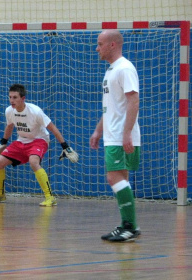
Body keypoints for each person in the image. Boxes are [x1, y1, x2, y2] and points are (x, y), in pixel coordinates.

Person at [0, 83, 79, 206]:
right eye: (10, 97)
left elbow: (53, 128)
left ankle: (50, 197)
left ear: (23, 99)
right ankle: (0, 194)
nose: (11, 100)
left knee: (33, 162)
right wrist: (3, 142)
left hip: (39, 140)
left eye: (15, 97)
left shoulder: (35, 111)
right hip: (21, 141)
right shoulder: (9, 111)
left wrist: (65, 146)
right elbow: (9, 126)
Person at [90, 30, 141, 242]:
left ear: (112, 45)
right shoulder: (111, 71)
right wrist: (98, 130)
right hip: (113, 134)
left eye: (100, 44)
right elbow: (110, 108)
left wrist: (127, 132)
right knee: (121, 179)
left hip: (121, 135)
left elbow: (133, 100)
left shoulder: (125, 68)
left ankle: (130, 226)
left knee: (113, 177)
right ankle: (126, 225)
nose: (97, 48)